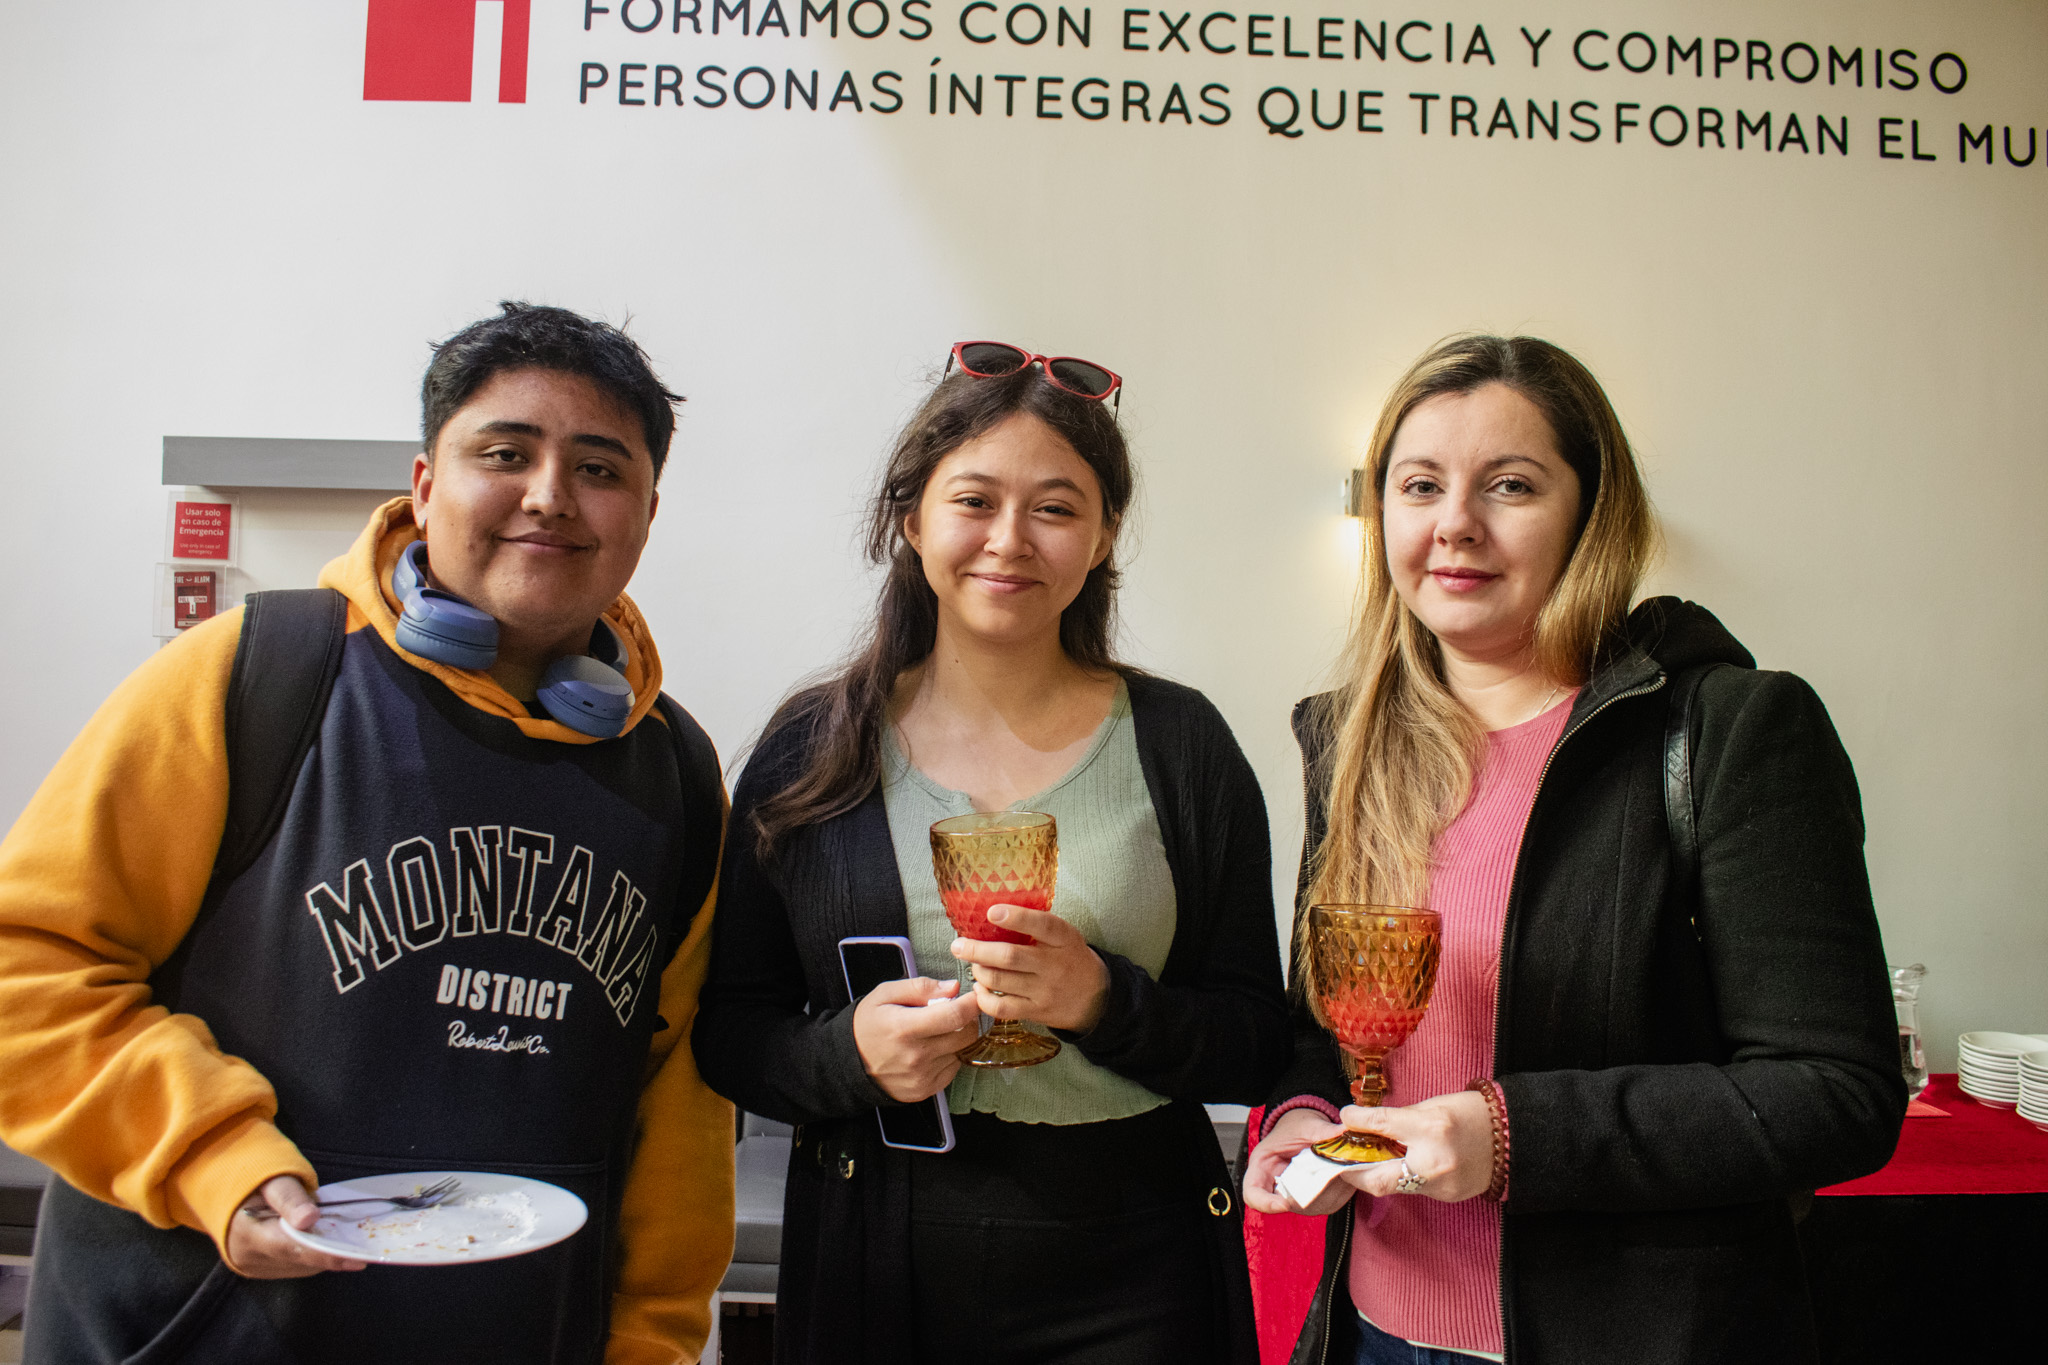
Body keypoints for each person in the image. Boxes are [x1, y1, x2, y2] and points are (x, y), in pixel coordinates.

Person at [0, 303, 733, 1364]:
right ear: (425, 485)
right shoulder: (252, 676)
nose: (549, 495)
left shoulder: (677, 772)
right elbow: (25, 970)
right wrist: (214, 1156)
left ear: (647, 514)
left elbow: (678, 1106)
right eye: (505, 453)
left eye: (598, 468)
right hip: (196, 1329)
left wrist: (647, 1345)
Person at [1242, 335, 1904, 1364]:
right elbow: (1321, 1026)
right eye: (1419, 485)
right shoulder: (1350, 743)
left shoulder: (1728, 729)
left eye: (1510, 485)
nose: (1454, 524)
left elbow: (1835, 1092)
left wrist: (1510, 1138)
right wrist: (1299, 1113)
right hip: (1372, 1328)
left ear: (1591, 515)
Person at [692, 343, 1290, 1365]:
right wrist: (850, 1056)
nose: (1009, 540)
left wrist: (1102, 1001)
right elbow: (729, 1033)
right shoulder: (814, 746)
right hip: (880, 1244)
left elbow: (1256, 1040)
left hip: (1138, 1260)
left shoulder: (1180, 743)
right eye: (973, 500)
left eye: (1055, 508)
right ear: (911, 519)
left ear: (1103, 536)